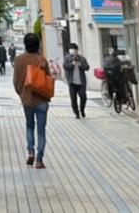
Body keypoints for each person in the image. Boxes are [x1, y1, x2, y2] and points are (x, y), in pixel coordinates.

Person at [12, 32, 54, 168]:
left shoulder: (19, 60)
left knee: (29, 125)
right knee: (41, 130)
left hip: (27, 99)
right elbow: (48, 79)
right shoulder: (42, 60)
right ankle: (39, 159)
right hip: (42, 99)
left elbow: (16, 81)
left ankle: (30, 152)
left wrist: (21, 93)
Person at [62, 44, 90, 117]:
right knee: (73, 98)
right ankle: (76, 113)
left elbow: (87, 67)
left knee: (83, 96)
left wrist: (80, 65)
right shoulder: (67, 58)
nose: (72, 50)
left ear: (77, 50)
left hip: (81, 82)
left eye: (73, 49)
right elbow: (65, 66)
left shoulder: (82, 58)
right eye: (71, 49)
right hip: (72, 82)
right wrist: (72, 64)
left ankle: (82, 110)